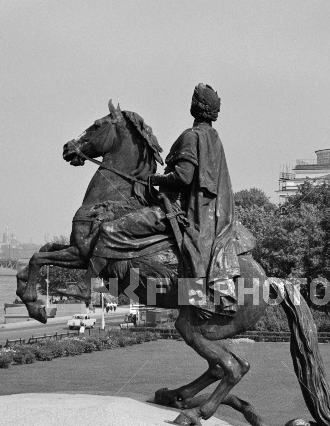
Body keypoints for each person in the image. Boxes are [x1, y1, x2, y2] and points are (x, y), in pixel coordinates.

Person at [92, 84, 254, 316]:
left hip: (178, 209)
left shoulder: (192, 136)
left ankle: (94, 283)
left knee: (111, 230)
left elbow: (184, 177)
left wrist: (155, 178)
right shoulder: (214, 138)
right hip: (206, 212)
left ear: (194, 107)